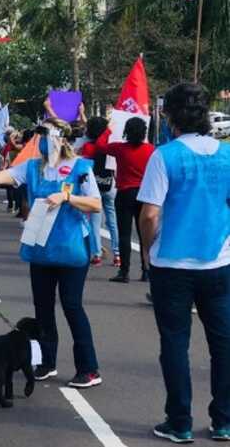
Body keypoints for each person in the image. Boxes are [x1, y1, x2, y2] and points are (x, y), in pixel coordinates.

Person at [0, 119, 103, 389]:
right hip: (41, 248)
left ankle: (89, 368)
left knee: (72, 306)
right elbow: (0, 177)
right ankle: (46, 362)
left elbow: (95, 204)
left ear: (60, 137)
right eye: (38, 136)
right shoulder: (34, 167)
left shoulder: (81, 168)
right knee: (42, 308)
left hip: (71, 248)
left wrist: (67, 198)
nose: (40, 140)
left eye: (44, 135)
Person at [138, 83, 230, 444]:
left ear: (170, 116)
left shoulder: (165, 156)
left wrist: (147, 251)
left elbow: (149, 214)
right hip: (219, 262)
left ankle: (180, 422)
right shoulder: (225, 155)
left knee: (175, 344)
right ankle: (223, 421)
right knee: (223, 345)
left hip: (172, 266)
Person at [96, 116, 155, 283]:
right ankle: (146, 270)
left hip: (124, 193)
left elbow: (100, 146)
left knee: (124, 234)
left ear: (126, 132)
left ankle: (124, 271)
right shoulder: (151, 149)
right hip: (144, 194)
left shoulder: (120, 149)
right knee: (144, 234)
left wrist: (108, 129)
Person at [81, 116, 120, 268]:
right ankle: (118, 255)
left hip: (94, 188)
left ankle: (96, 254)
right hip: (110, 185)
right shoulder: (111, 146)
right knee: (113, 221)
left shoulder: (88, 147)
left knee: (94, 223)